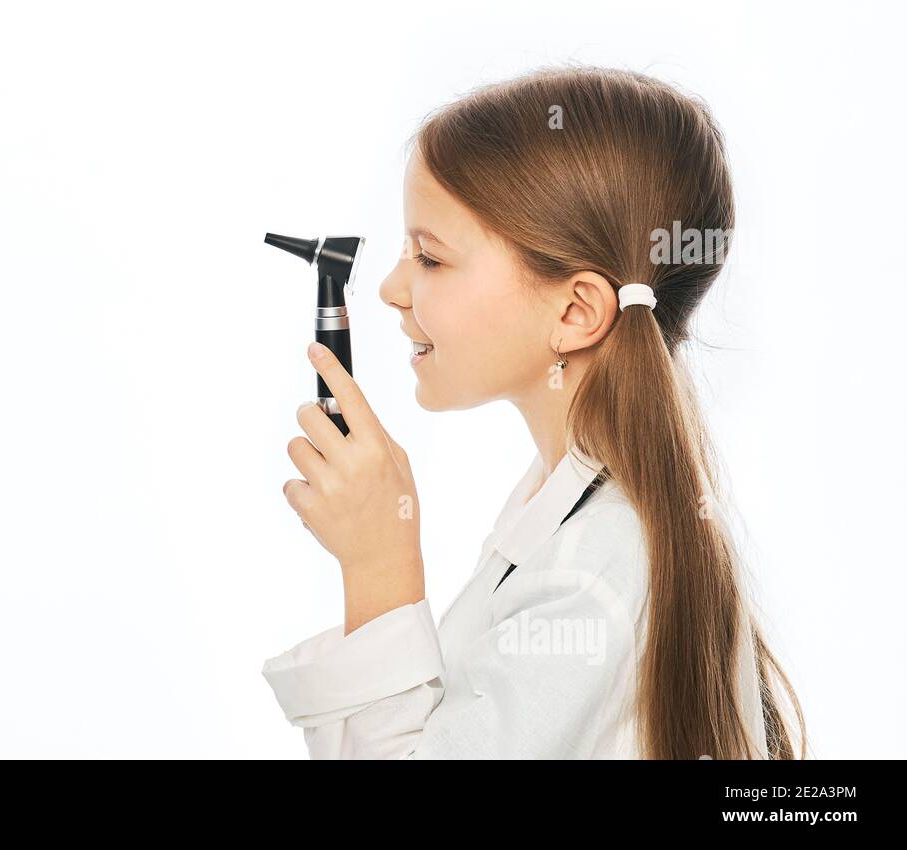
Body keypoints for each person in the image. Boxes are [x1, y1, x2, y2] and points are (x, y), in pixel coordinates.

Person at [263, 66, 806, 759]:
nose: (394, 289)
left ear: (576, 311)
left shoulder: (589, 575)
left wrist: (378, 567)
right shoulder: (570, 519)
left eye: (429, 258)